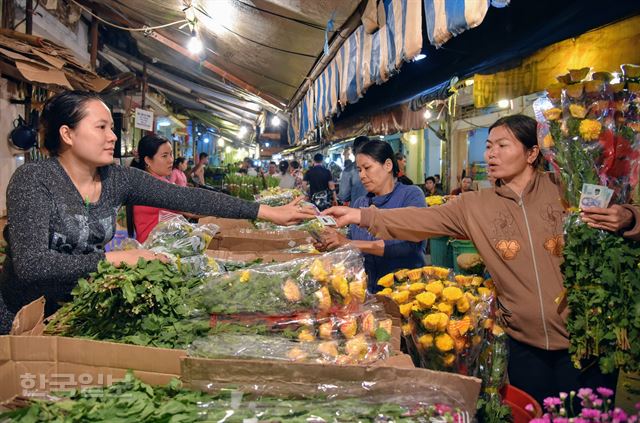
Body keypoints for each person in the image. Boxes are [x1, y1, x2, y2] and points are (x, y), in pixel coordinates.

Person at [322, 114, 640, 404]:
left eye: (502, 145)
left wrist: (625, 217)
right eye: (488, 146)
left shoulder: (566, 189)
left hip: (588, 342)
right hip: (524, 347)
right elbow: (418, 220)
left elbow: (624, 215)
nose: (490, 154)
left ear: (532, 153)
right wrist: (360, 215)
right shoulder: (473, 205)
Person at [0, 90, 316, 332]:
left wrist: (263, 211)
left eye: (112, 127)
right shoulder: (35, 179)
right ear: (67, 134)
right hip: (23, 319)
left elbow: (189, 199)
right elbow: (32, 264)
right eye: (101, 127)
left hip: (75, 312)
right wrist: (116, 258)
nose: (112, 137)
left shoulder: (117, 178)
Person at [314, 140, 426, 292]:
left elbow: (407, 246)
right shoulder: (361, 202)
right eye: (359, 170)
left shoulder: (411, 195)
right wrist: (331, 241)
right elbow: (351, 242)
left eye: (367, 168)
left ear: (388, 165)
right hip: (368, 292)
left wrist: (347, 243)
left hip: (405, 291)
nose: (362, 175)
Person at [127, 135, 190, 243]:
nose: (171, 160)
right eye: (164, 156)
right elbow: (192, 208)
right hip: (153, 253)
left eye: (171, 154)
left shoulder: (144, 182)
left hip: (155, 250)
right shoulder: (153, 186)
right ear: (148, 160)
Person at [338, 136, 368, 205]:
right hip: (379, 211)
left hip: (358, 211)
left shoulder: (349, 170)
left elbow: (343, 196)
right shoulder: (379, 165)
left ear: (354, 151)